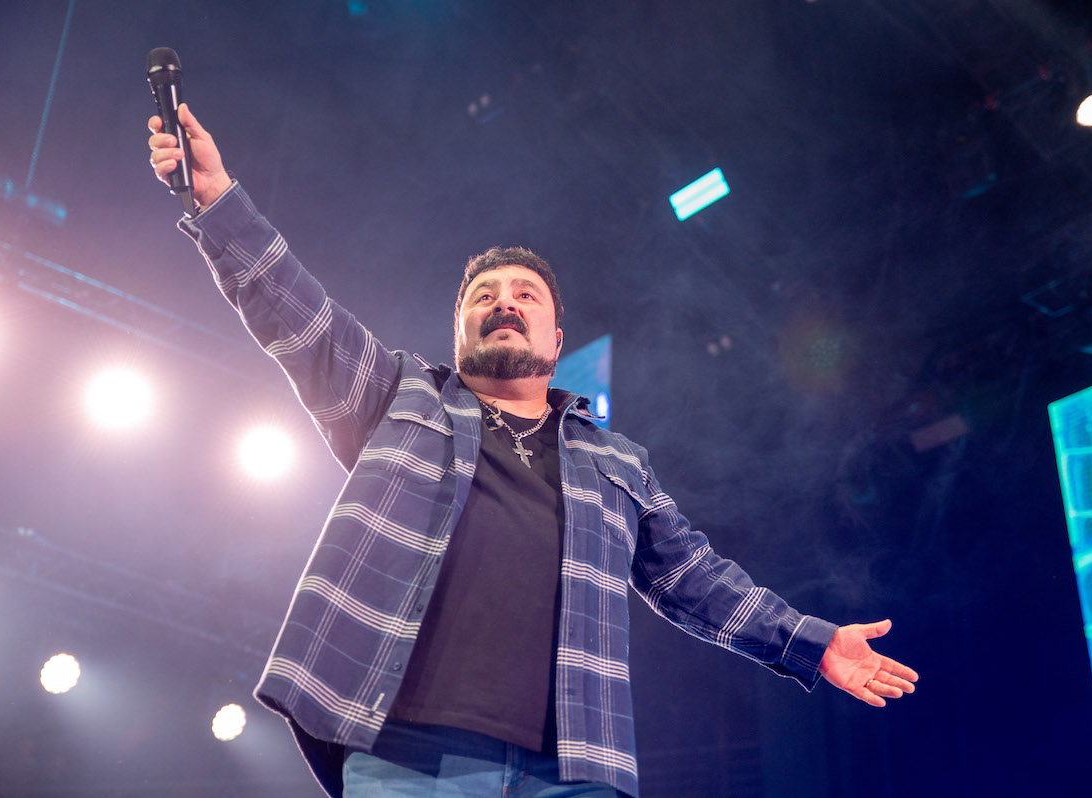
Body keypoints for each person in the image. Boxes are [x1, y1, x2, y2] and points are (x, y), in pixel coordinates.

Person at [147, 104, 917, 798]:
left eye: (525, 294)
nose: (504, 302)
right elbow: (299, 313)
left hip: (572, 770)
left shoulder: (618, 463)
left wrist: (810, 643)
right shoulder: (397, 396)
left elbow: (697, 579)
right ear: (460, 331)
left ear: (556, 338)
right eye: (483, 296)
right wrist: (218, 201)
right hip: (409, 756)